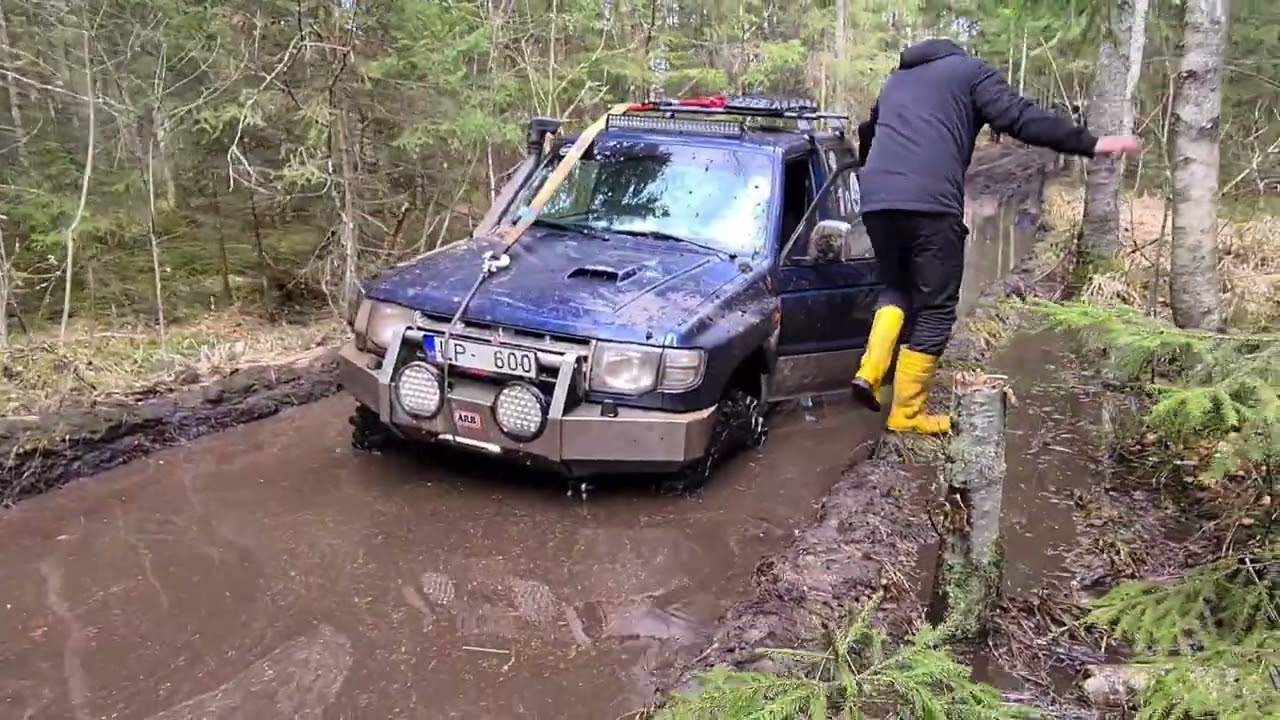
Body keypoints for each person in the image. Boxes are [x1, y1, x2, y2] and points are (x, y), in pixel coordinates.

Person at [849, 37, 1141, 435]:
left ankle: (870, 370)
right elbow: (1018, 117)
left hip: (877, 200)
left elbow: (869, 131)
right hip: (931, 202)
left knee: (896, 286)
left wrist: (873, 172)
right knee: (936, 308)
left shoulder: (897, 80)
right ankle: (907, 414)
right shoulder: (970, 72)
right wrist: (1090, 143)